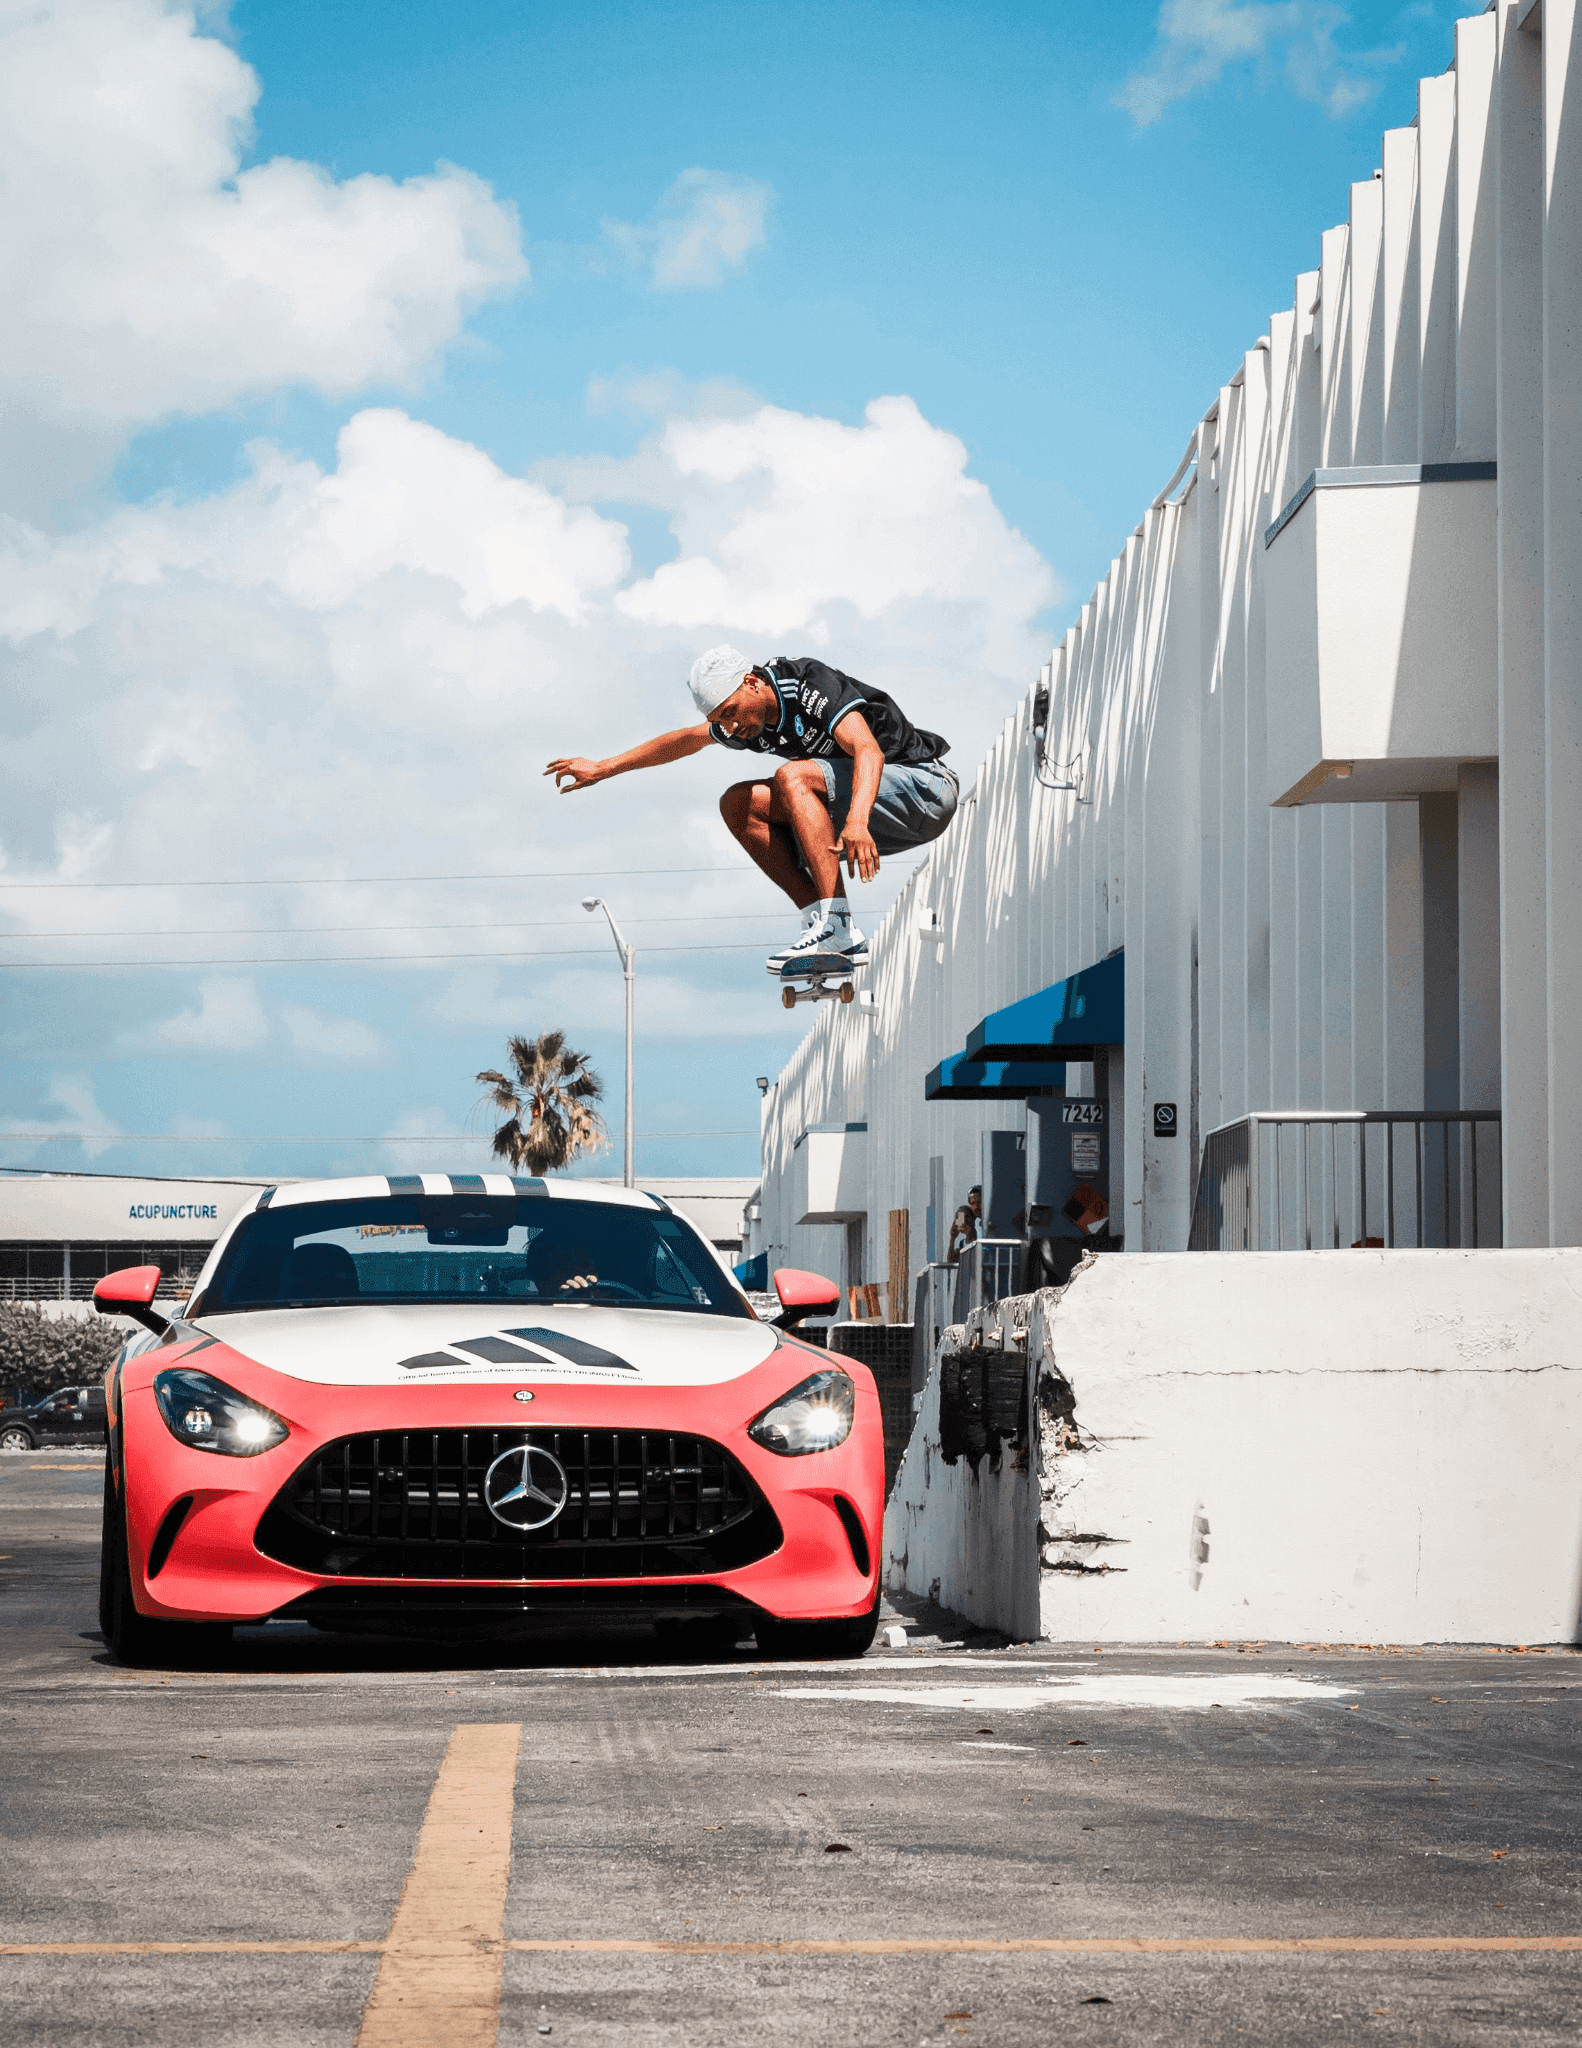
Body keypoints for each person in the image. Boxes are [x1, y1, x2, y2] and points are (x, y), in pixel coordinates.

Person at [545, 646, 958, 978]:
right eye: (718, 721)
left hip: (923, 788)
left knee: (792, 777)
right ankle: (821, 922)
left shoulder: (806, 685)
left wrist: (855, 821)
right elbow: (684, 741)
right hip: (878, 809)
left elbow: (866, 748)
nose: (729, 728)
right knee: (739, 804)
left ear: (751, 682)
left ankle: (837, 925)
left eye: (729, 713)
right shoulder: (750, 724)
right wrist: (603, 768)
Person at [946, 1186, 982, 1264]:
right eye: (972, 1204)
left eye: (979, 1203)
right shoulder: (962, 1243)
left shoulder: (982, 1227)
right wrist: (952, 1237)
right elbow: (950, 1260)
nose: (976, 1207)